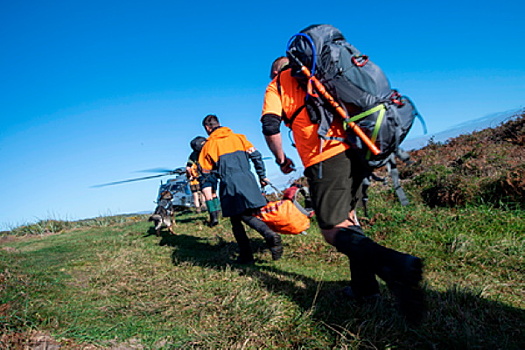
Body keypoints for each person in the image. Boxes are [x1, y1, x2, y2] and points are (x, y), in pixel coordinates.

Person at [260, 57, 426, 322]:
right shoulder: (320, 74)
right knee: (349, 219)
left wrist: (281, 159)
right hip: (357, 148)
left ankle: (397, 265)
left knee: (331, 228)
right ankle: (365, 289)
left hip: (324, 155)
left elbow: (270, 126)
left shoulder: (277, 84)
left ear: (275, 71)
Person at [198, 114, 284, 264]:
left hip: (229, 183)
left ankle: (265, 238)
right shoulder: (240, 138)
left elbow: (205, 174)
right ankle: (250, 252)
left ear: (207, 128)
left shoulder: (208, 146)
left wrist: (206, 184)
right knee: (247, 214)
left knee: (237, 219)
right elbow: (257, 156)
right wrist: (262, 176)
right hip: (248, 179)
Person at [186, 136, 220, 224]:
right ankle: (218, 212)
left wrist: (190, 176)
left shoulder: (193, 155)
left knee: (208, 196)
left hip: (203, 176)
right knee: (214, 194)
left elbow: (188, 168)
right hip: (213, 175)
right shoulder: (210, 149)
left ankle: (213, 218)